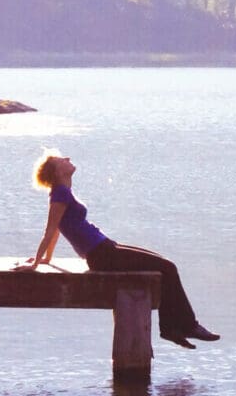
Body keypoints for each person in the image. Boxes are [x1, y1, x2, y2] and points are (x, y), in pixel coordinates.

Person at [15, 149, 219, 349]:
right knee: (168, 267)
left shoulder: (63, 191)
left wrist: (46, 259)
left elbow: (58, 229)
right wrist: (35, 262)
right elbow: (50, 230)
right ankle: (186, 326)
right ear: (57, 171)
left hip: (105, 249)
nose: (67, 158)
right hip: (102, 255)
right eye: (62, 159)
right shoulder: (59, 193)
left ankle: (173, 327)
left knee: (163, 265)